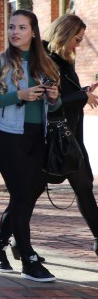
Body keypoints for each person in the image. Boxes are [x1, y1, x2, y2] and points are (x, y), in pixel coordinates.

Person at [0, 9, 61, 282]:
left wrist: (53, 97)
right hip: (8, 136)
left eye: (22, 27)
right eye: (12, 27)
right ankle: (28, 259)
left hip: (38, 137)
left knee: (28, 194)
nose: (15, 32)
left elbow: (56, 106)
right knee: (22, 196)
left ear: (34, 32)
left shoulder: (46, 63)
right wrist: (19, 95)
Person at [43, 14, 98, 256]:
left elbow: (65, 95)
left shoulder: (65, 60)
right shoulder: (47, 61)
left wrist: (82, 91)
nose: (78, 45)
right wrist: (82, 96)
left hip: (71, 136)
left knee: (84, 186)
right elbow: (50, 102)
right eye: (77, 39)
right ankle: (4, 241)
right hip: (56, 138)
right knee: (29, 195)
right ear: (64, 35)